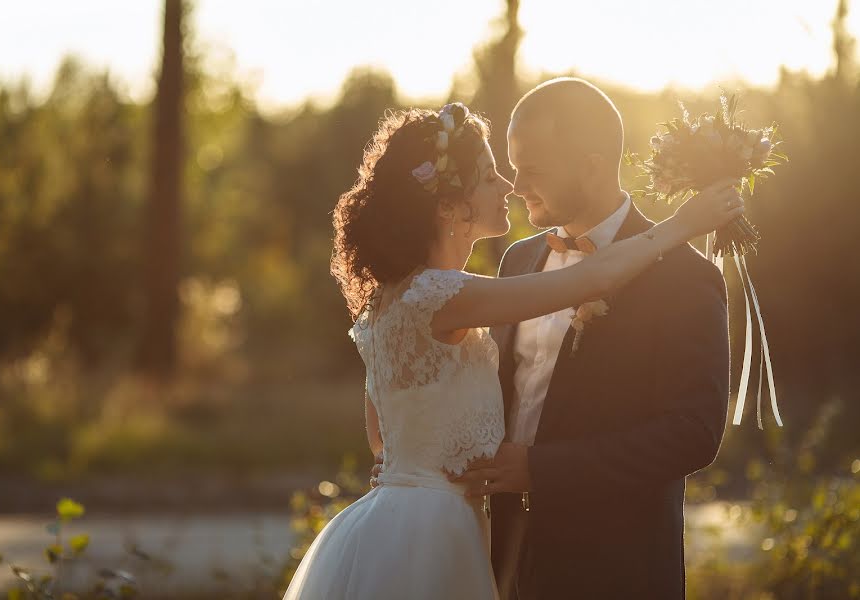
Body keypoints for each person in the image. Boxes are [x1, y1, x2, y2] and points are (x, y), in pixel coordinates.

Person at [284, 100, 741, 599]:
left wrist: (511, 468)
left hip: (612, 566)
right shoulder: (511, 266)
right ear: (446, 203)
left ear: (590, 164)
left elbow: (692, 434)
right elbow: (597, 277)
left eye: (529, 169)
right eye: (499, 172)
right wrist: (682, 224)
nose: (514, 185)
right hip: (483, 554)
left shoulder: (684, 278)